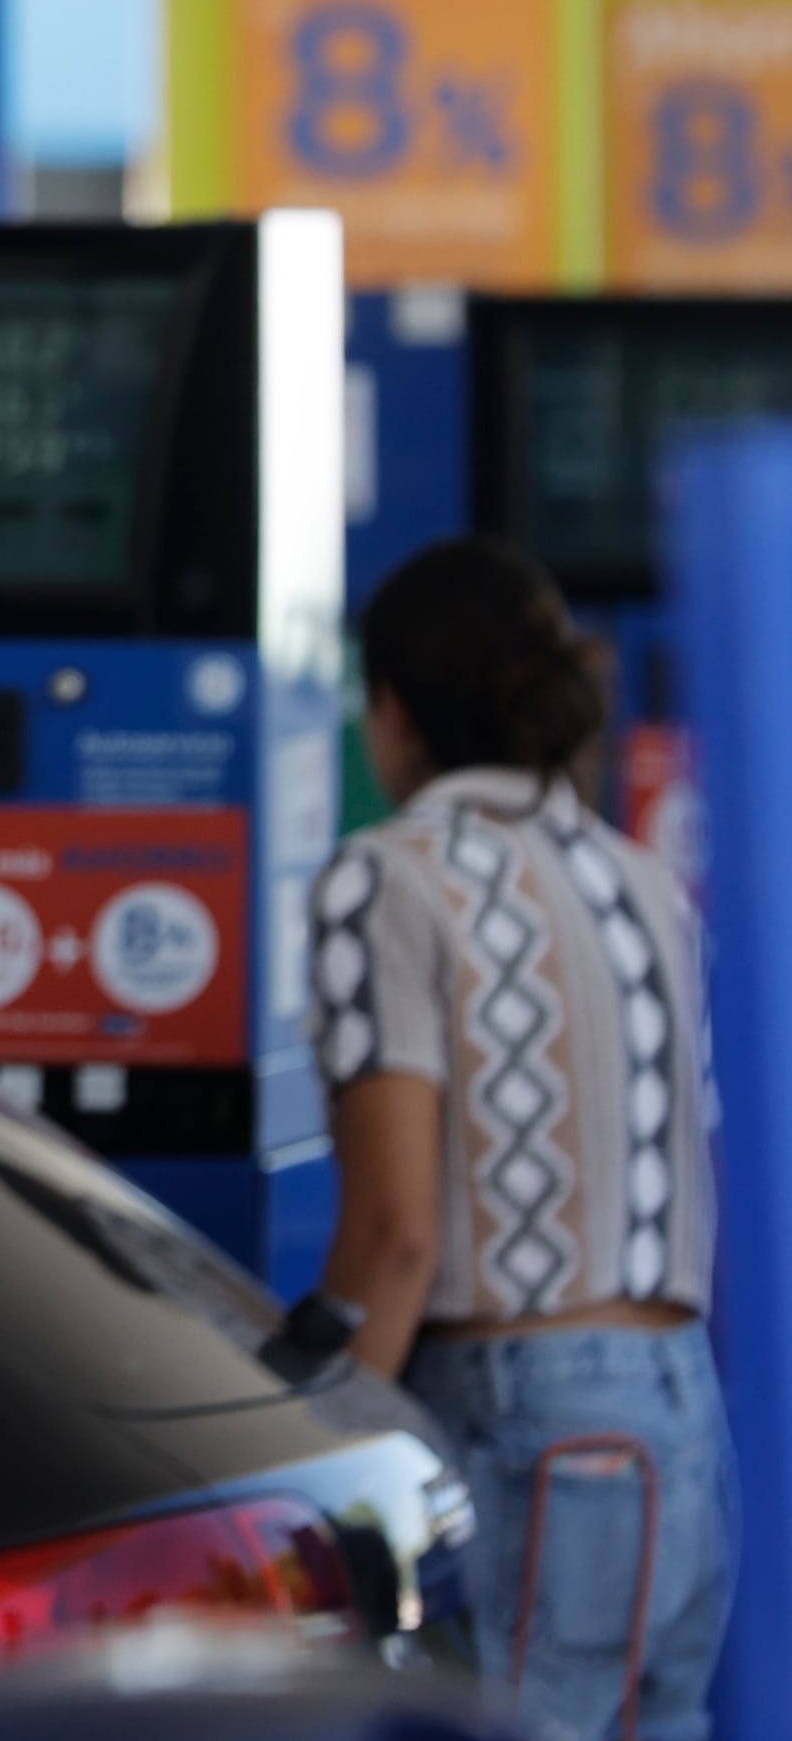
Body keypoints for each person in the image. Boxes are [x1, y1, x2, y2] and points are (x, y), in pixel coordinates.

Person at [310, 537, 732, 1740]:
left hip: (524, 1420)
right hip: (681, 1417)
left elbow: (394, 1237)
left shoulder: (386, 880)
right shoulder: (640, 879)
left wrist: (322, 1444)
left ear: (388, 710)